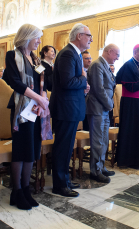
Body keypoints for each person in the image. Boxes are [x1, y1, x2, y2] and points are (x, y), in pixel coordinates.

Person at [5, 24, 51, 210]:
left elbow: (44, 82)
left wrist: (44, 98)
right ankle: (16, 192)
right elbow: (14, 82)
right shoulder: (12, 55)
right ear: (26, 37)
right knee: (21, 151)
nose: (39, 41)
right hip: (22, 108)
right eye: (37, 37)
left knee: (32, 150)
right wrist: (38, 98)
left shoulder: (36, 60)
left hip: (36, 109)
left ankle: (25, 190)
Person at [50, 23, 91, 197]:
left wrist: (82, 86)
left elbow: (70, 82)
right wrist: (83, 80)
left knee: (67, 147)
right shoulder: (68, 53)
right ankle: (59, 185)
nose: (90, 39)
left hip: (71, 106)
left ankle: (64, 180)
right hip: (66, 108)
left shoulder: (74, 53)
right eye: (88, 35)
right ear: (79, 36)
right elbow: (66, 82)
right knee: (62, 147)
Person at [86, 44, 119, 183]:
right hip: (97, 108)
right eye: (116, 54)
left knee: (104, 140)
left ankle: (101, 166)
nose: (117, 58)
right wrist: (110, 104)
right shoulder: (97, 65)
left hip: (104, 108)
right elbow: (98, 88)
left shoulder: (105, 65)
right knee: (97, 140)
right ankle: (95, 170)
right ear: (109, 51)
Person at [82, 51, 92, 131]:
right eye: (86, 58)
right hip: (82, 101)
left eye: (90, 58)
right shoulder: (79, 72)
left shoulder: (93, 71)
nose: (89, 60)